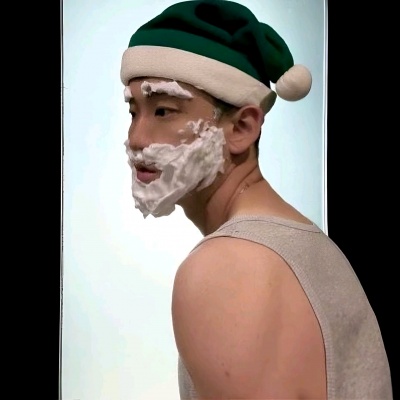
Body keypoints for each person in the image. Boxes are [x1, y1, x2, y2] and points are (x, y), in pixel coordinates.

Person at [120, 0, 393, 398]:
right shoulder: (300, 244)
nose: (136, 139)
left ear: (242, 128)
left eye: (163, 110)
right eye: (133, 111)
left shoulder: (228, 267)